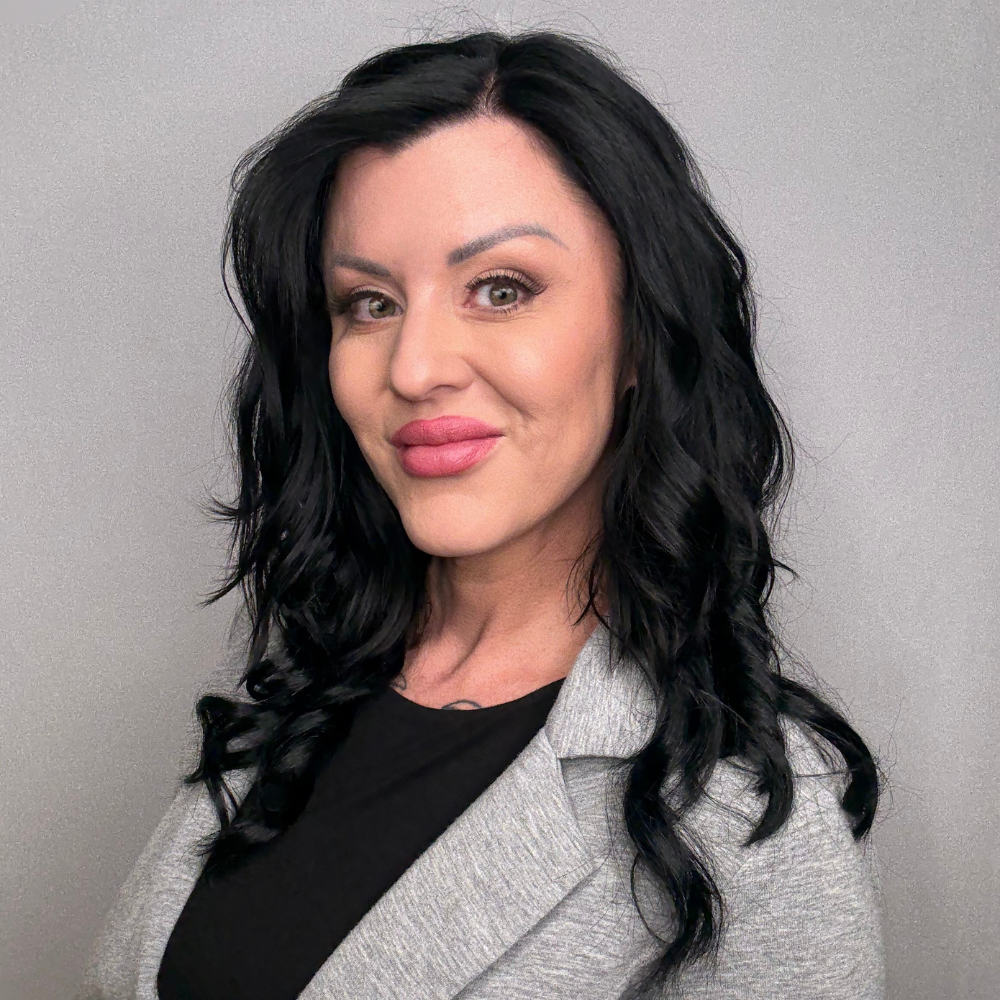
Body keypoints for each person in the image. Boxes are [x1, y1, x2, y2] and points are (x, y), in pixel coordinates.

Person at [79, 29, 885, 1000]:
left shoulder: (742, 820)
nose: (413, 366)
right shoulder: (294, 695)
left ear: (639, 334)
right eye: (368, 303)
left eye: (500, 289)